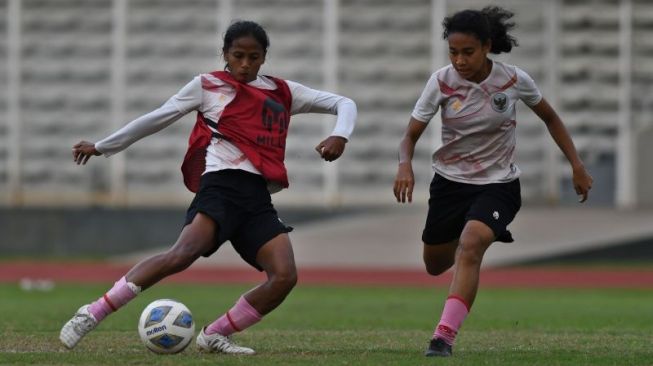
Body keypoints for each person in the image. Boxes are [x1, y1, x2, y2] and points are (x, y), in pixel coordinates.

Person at [60, 20, 357, 355]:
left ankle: (214, 335)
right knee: (180, 256)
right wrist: (103, 146)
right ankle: (92, 312)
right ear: (225, 54)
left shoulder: (282, 92)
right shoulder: (208, 85)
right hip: (220, 188)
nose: (245, 64)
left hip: (256, 199)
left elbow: (344, 103)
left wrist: (340, 135)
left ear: (264, 58)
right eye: (238, 55)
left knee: (285, 276)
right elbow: (157, 117)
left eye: (254, 57)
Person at [393, 7, 593, 357]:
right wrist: (404, 165)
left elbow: (551, 118)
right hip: (449, 184)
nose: (459, 60)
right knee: (435, 264)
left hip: (498, 184)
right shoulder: (441, 81)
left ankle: (443, 337)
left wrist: (576, 164)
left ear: (486, 46)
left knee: (470, 247)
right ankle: (476, 225)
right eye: (453, 52)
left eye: (467, 52)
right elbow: (409, 136)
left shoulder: (513, 80)